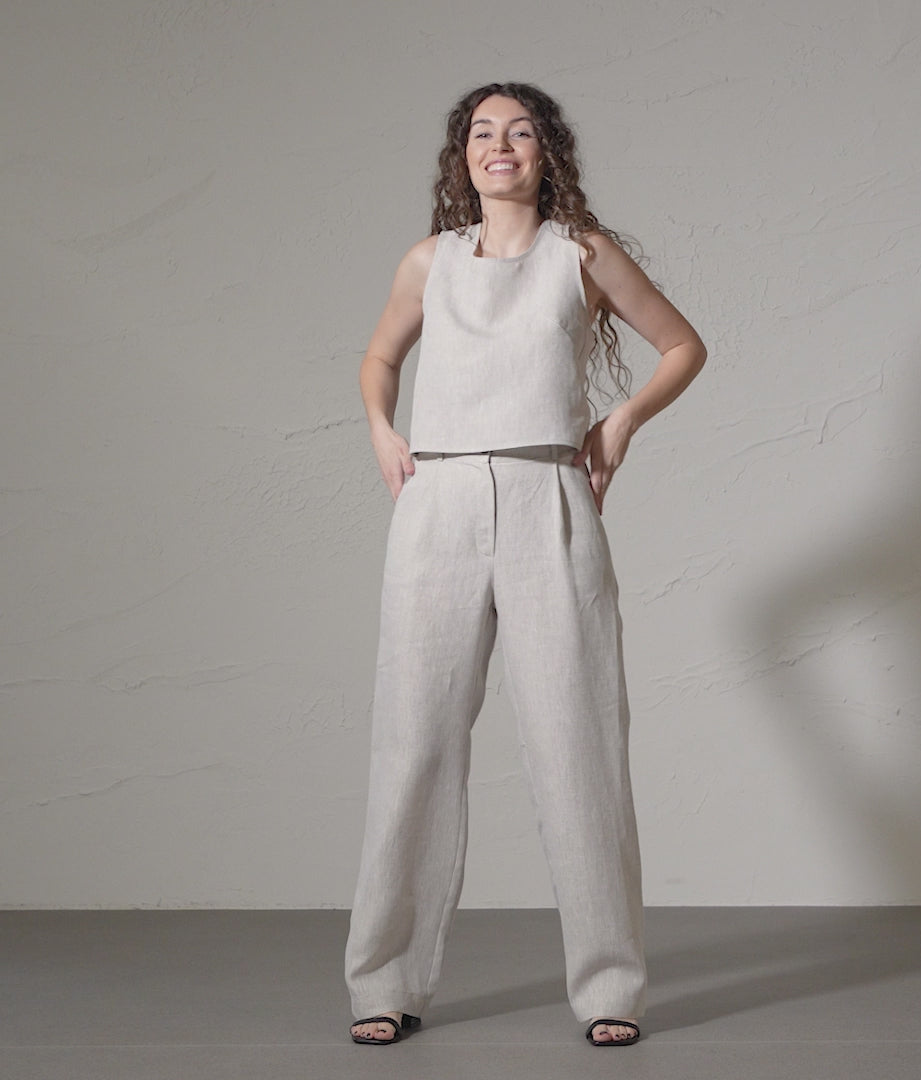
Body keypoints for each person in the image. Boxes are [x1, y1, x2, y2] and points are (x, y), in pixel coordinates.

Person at [344, 81, 707, 1047]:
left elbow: (682, 345)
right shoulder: (429, 261)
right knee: (413, 744)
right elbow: (380, 358)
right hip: (439, 501)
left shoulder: (580, 254)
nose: (498, 145)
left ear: (548, 152)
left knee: (579, 746)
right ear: (461, 154)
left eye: (519, 131)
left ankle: (610, 989)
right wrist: (382, 428)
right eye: (481, 132)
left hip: (551, 494)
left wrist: (620, 421)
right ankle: (385, 982)